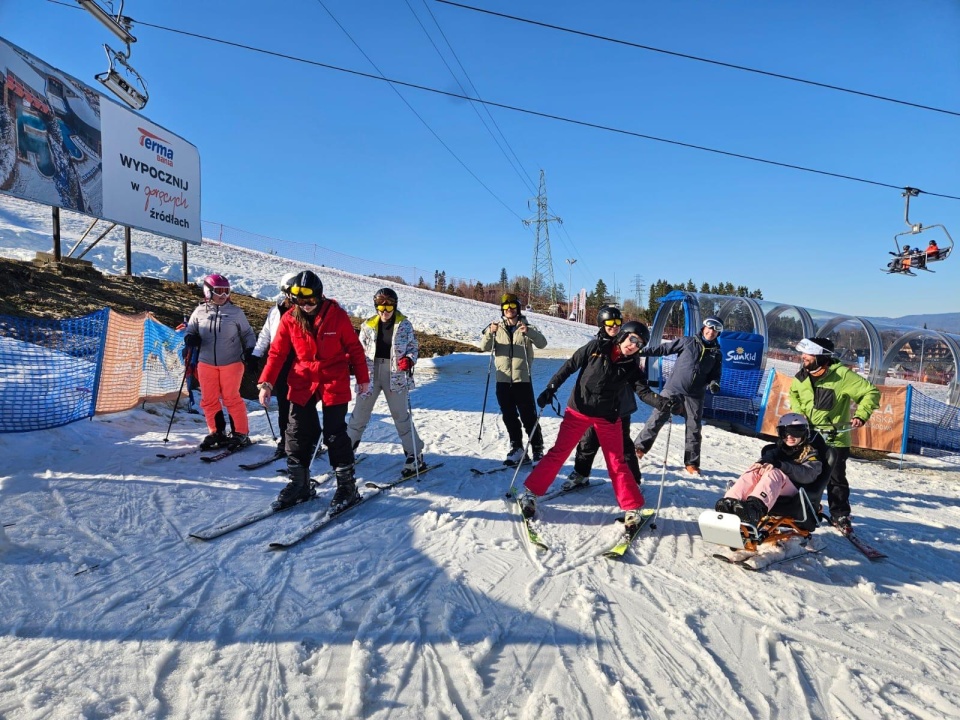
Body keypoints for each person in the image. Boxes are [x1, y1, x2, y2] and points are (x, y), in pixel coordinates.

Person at [517, 321, 663, 529]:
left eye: (639, 344)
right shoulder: (595, 347)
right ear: (623, 335)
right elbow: (569, 367)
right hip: (578, 411)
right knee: (559, 452)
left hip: (608, 417)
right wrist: (551, 388)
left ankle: (632, 508)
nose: (634, 346)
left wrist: (663, 402)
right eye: (632, 339)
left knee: (616, 462)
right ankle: (530, 494)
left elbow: (643, 392)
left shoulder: (631, 365)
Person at [257, 270, 371, 511]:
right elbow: (277, 353)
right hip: (303, 378)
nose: (306, 306)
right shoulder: (289, 318)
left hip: (333, 378)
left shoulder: (337, 316)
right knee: (296, 430)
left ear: (320, 297)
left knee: (334, 432)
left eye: (310, 301)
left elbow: (354, 349)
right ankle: (299, 484)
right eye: (300, 301)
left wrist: (363, 379)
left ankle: (347, 487)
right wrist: (266, 382)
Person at [788, 337, 880, 533]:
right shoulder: (803, 375)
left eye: (808, 354)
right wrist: (799, 413)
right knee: (802, 474)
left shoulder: (842, 376)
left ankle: (840, 515)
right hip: (809, 435)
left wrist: (861, 414)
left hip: (834, 438)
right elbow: (793, 393)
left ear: (821, 357)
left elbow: (871, 392)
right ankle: (802, 509)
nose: (803, 357)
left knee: (835, 479)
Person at [565, 307, 654, 489]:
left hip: (619, 404)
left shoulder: (629, 345)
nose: (614, 327)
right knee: (588, 440)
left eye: (617, 324)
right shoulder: (597, 344)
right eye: (610, 324)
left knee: (622, 446)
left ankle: (632, 482)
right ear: (602, 324)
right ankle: (581, 473)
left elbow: (635, 376)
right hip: (593, 404)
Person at [347, 287, 425, 475]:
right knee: (360, 414)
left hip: (395, 374)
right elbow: (359, 349)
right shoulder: (368, 325)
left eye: (388, 307)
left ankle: (414, 455)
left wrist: (409, 359)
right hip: (370, 373)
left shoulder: (404, 325)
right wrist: (351, 361)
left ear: (394, 306)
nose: (384, 312)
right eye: (380, 308)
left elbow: (413, 347)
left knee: (400, 415)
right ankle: (346, 451)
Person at [633, 316, 724, 475]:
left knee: (694, 428)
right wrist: (640, 351)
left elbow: (715, 375)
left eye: (716, 330)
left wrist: (714, 383)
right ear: (704, 328)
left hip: (695, 395)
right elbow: (663, 349)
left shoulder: (716, 353)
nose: (711, 332)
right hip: (673, 388)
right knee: (657, 418)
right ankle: (639, 448)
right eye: (709, 328)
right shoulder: (688, 342)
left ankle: (692, 463)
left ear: (718, 334)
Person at [183, 273, 257, 450]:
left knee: (231, 398)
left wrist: (250, 350)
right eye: (219, 291)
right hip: (206, 362)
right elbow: (190, 330)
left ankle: (240, 433)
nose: (223, 296)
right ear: (208, 292)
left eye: (226, 291)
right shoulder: (199, 311)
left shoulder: (235, 312)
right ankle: (217, 432)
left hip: (231, 362)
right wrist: (190, 338)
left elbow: (248, 334)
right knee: (208, 399)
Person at [251, 271, 319, 460]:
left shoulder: (304, 311)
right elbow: (266, 334)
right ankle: (285, 440)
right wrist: (256, 354)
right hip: (280, 361)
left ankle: (313, 437)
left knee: (304, 402)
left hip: (299, 362)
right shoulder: (276, 311)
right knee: (284, 404)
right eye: (289, 292)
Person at [715, 413, 827, 526]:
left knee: (775, 473)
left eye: (795, 432)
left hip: (796, 495)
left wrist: (781, 465)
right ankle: (729, 502)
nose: (789, 436)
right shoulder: (778, 449)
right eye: (784, 432)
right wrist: (763, 462)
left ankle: (754, 510)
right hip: (774, 490)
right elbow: (769, 456)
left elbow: (807, 475)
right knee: (756, 470)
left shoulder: (811, 453)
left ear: (804, 433)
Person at [480, 292, 548, 466]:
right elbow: (483, 347)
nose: (509, 310)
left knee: (528, 416)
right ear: (502, 310)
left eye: (512, 307)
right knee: (509, 416)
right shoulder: (496, 327)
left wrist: (529, 332)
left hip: (522, 379)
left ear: (518, 308)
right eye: (506, 307)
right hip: (502, 379)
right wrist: (489, 332)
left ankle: (537, 449)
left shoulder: (526, 325)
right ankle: (517, 448)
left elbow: (542, 343)